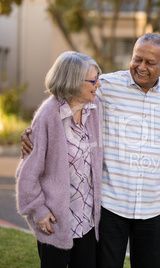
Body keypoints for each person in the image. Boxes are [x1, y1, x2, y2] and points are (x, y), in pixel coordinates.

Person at [20, 33, 160, 268]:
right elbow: (67, 97)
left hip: (153, 207)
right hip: (112, 205)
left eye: (150, 63)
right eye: (137, 59)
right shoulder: (105, 86)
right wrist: (33, 131)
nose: (141, 67)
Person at [16, 51, 103, 268]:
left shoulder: (94, 107)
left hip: (87, 222)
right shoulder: (48, 114)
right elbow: (27, 172)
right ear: (73, 81)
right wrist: (39, 211)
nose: (99, 84)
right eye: (93, 80)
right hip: (55, 221)